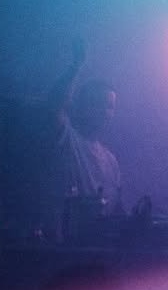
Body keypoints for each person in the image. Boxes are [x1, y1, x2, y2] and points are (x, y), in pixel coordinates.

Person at [46, 39, 122, 227]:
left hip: (105, 248)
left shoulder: (111, 161)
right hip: (70, 245)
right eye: (99, 105)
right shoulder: (68, 140)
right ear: (82, 106)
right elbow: (54, 106)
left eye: (110, 107)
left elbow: (116, 209)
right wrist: (76, 66)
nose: (105, 112)